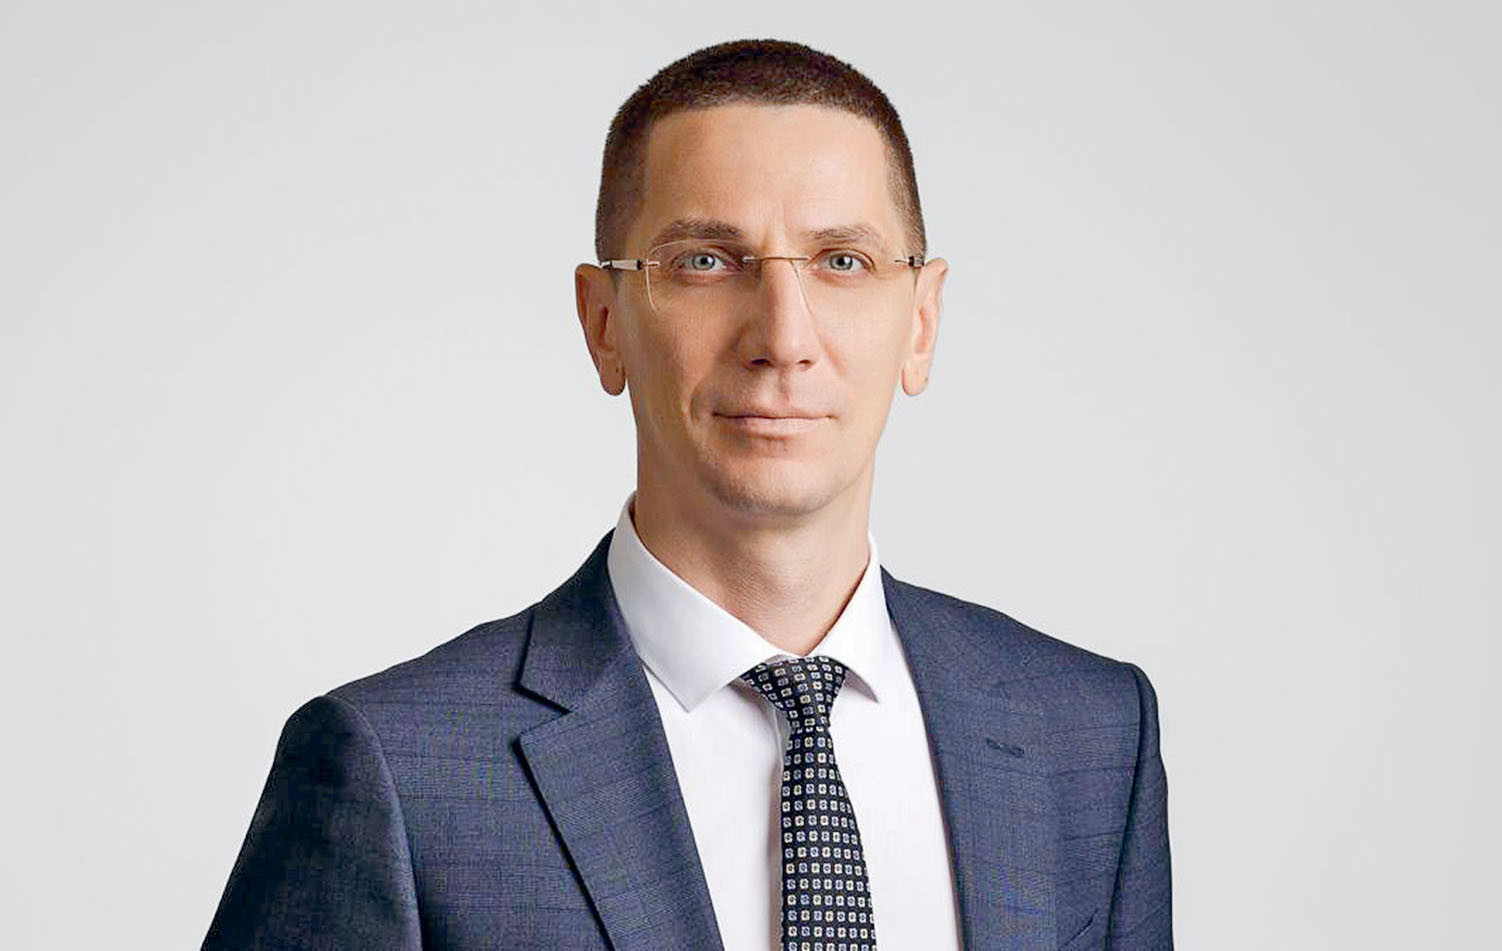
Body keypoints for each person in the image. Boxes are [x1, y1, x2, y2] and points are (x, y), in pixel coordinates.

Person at [204, 39, 1172, 951]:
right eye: (705, 261)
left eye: (842, 261)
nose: (782, 337)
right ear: (604, 324)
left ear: (921, 322)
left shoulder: (1091, 733)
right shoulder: (396, 768)